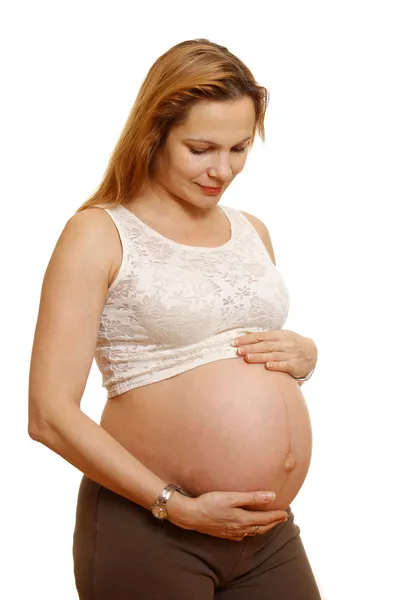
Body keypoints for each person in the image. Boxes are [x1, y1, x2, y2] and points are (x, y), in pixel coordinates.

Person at [28, 38, 321, 599]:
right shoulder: (98, 234)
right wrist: (176, 506)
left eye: (239, 149)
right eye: (202, 148)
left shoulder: (253, 230)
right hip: (152, 526)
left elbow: (231, 350)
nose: (223, 170)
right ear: (154, 134)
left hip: (266, 533)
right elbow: (48, 414)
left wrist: (302, 356)